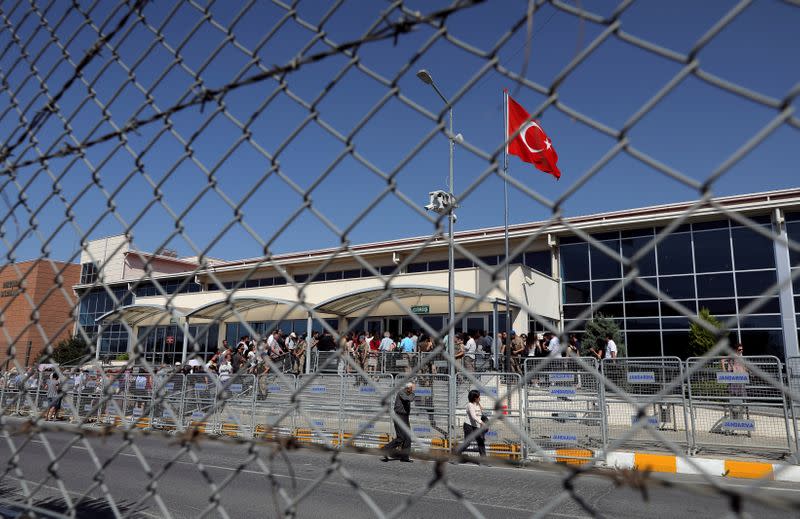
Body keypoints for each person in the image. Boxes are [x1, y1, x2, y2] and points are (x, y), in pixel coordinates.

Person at [382, 382, 415, 462]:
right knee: (401, 438)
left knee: (407, 437)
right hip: (399, 416)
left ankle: (405, 457)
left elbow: (411, 398)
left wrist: (412, 394)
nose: (414, 390)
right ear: (408, 388)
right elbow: (408, 399)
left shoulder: (409, 393)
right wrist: (412, 394)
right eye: (413, 388)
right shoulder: (401, 392)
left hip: (405, 417)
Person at [456, 389, 487, 460]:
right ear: (474, 398)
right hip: (469, 426)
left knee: (481, 442)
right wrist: (482, 423)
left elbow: (480, 414)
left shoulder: (477, 404)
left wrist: (479, 405)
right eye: (478, 397)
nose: (480, 398)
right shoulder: (470, 405)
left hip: (476, 426)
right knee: (467, 443)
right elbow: (474, 416)